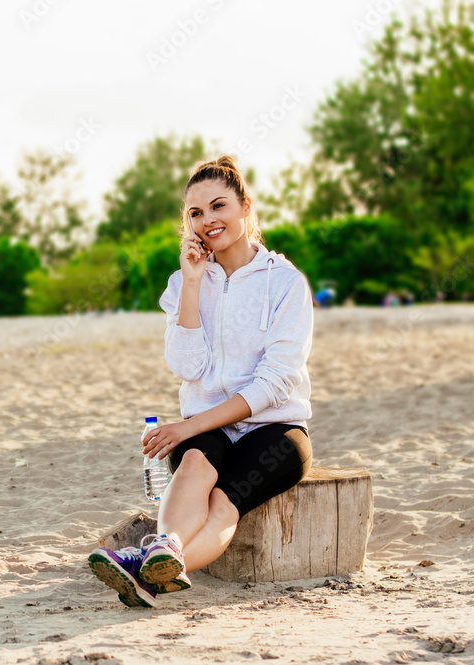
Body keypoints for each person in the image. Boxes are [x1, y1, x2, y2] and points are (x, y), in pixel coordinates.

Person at [88, 155, 314, 608]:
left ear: (245, 206)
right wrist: (192, 283)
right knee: (193, 465)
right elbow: (186, 367)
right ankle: (163, 551)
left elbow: (274, 384)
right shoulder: (183, 282)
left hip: (275, 428)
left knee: (223, 505)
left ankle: (146, 575)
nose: (208, 220)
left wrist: (186, 427)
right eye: (195, 213)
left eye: (218, 206)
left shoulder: (285, 283)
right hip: (208, 428)